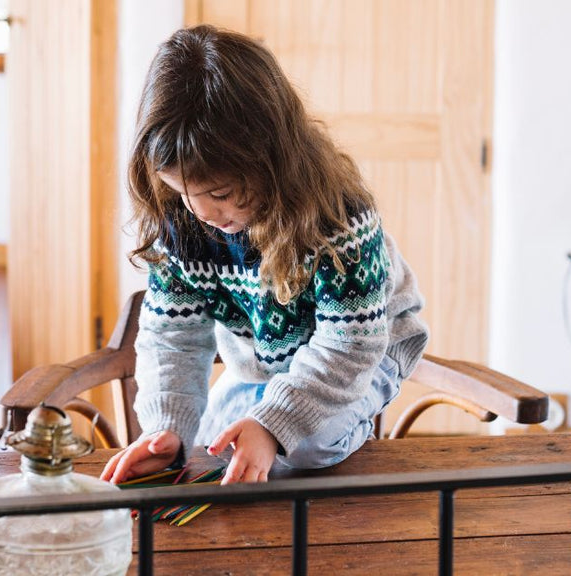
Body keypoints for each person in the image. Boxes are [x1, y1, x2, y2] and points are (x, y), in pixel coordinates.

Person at [100, 25, 429, 486]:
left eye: (219, 192)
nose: (201, 211)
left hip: (368, 350)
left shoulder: (338, 215)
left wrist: (274, 422)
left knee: (303, 449)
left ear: (269, 159)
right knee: (214, 447)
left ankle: (335, 417)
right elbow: (172, 337)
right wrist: (166, 430)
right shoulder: (186, 220)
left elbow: (350, 344)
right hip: (263, 365)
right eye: (183, 191)